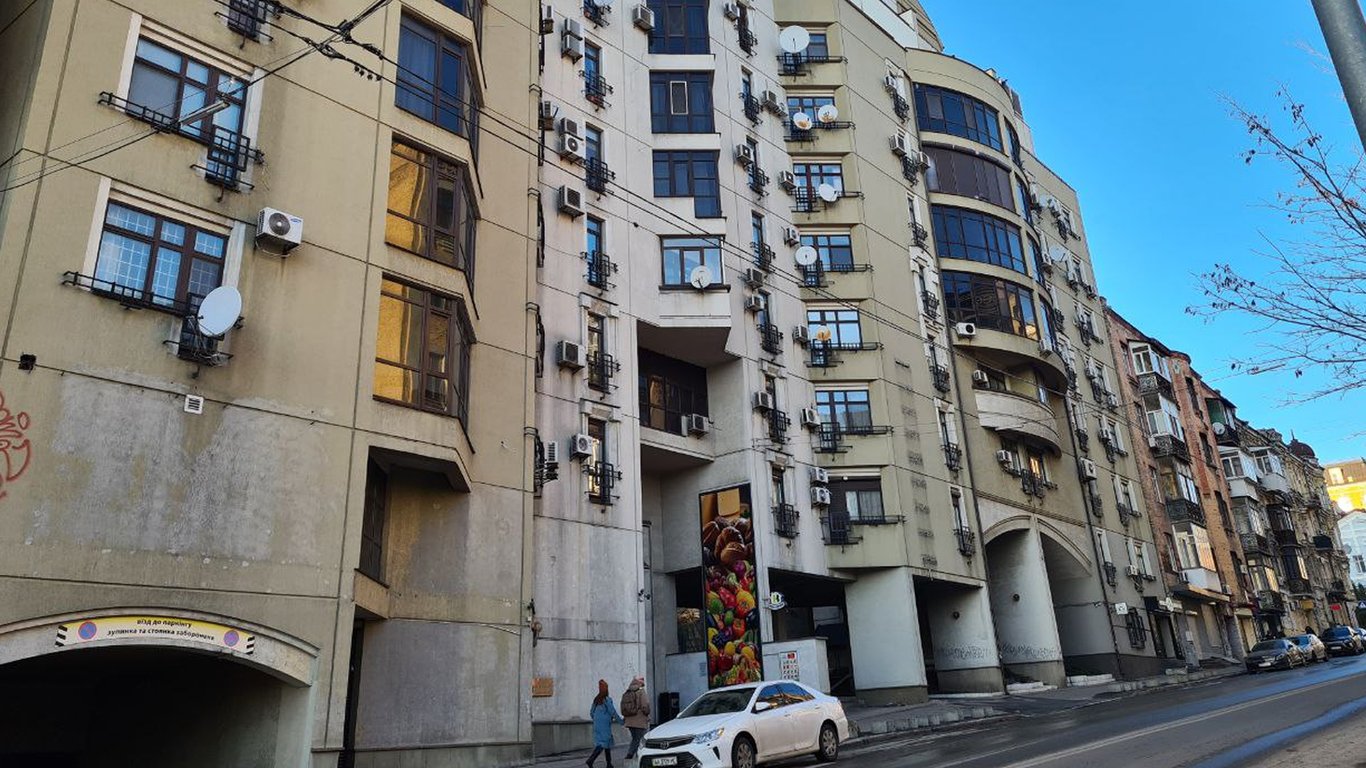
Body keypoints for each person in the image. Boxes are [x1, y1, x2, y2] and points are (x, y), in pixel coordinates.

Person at [588, 679, 624, 767]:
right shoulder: (607, 700)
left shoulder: (596, 700)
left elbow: (591, 712)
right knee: (603, 743)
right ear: (606, 689)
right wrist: (621, 721)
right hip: (604, 726)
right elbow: (612, 712)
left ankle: (609, 764)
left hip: (597, 725)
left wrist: (597, 720)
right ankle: (590, 760)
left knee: (606, 744)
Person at [621, 676, 651, 760]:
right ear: (640, 683)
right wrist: (647, 713)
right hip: (639, 721)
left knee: (635, 739)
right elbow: (645, 705)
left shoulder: (628, 691)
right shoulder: (641, 691)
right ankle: (632, 756)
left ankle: (632, 756)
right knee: (641, 740)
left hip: (629, 721)